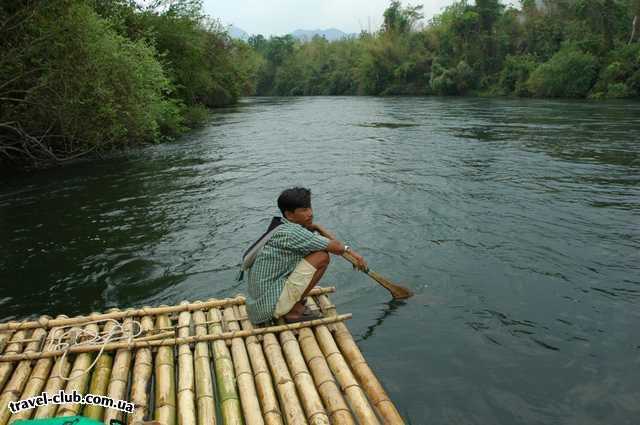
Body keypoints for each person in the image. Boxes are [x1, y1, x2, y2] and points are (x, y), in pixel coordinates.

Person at [245, 187, 367, 324]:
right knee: (322, 256)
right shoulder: (293, 233)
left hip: (257, 306)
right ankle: (293, 311)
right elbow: (337, 248)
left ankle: (290, 303)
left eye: (309, 208)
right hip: (268, 308)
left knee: (314, 251)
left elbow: (329, 244)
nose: (310, 213)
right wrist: (352, 253)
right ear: (290, 215)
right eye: (303, 210)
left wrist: (316, 228)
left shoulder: (279, 226)